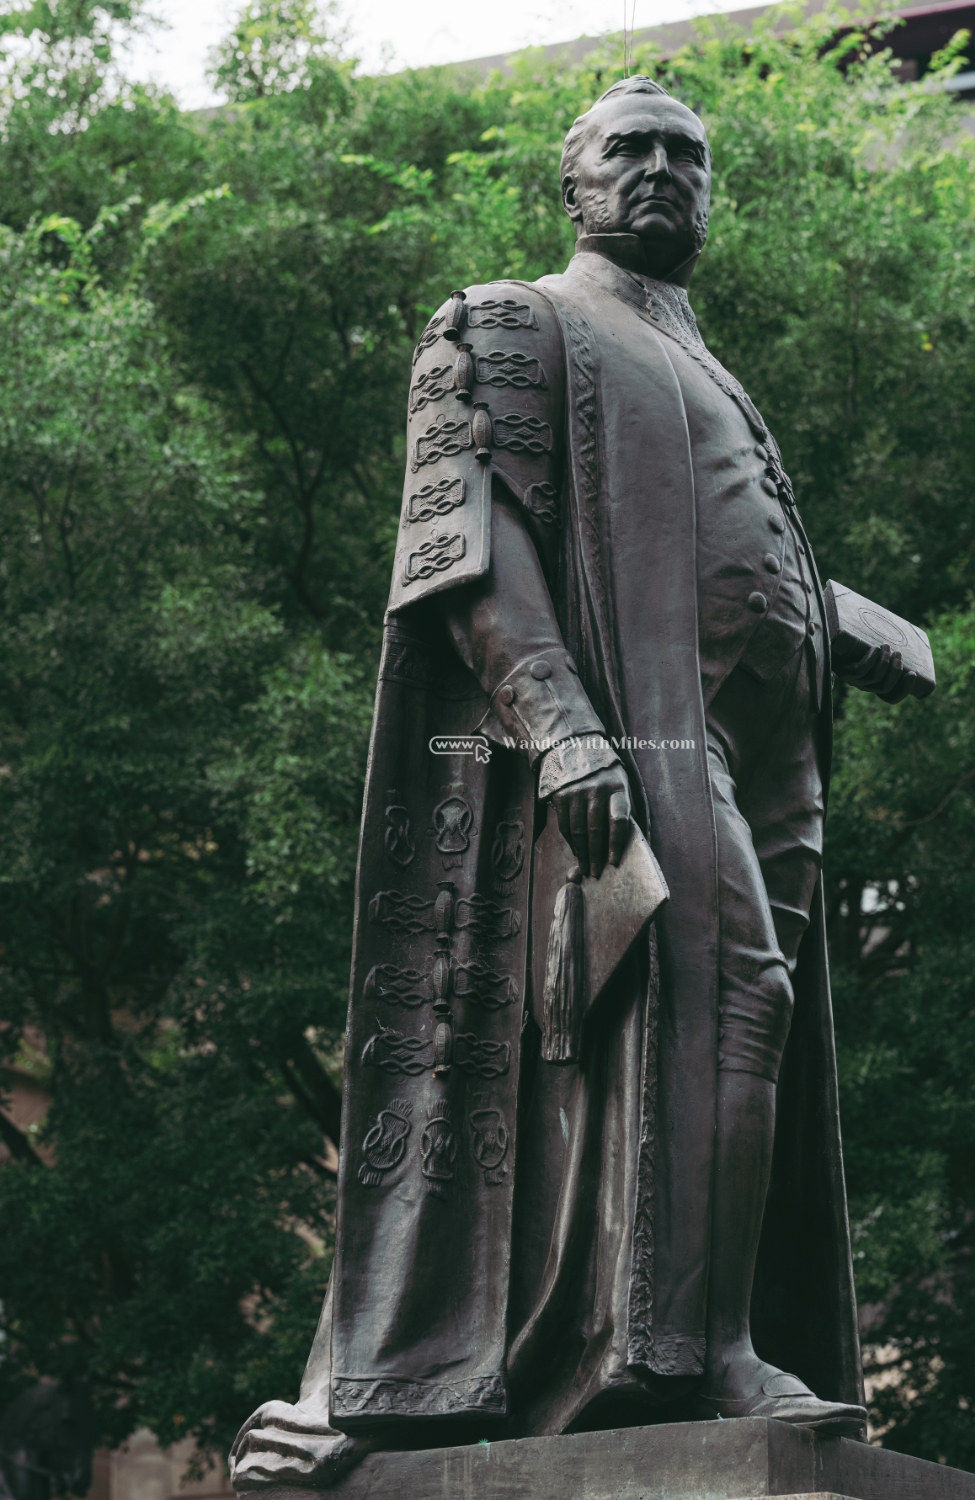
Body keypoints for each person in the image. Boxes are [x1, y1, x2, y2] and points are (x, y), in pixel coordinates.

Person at [231, 74, 915, 1489]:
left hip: (766, 754)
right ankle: (692, 1356)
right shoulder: (507, 324)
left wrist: (851, 625)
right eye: (631, 150)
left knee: (745, 1015)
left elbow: (712, 553)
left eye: (686, 152)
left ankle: (690, 1339)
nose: (662, 170)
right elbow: (464, 552)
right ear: (576, 184)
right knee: (735, 990)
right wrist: (563, 729)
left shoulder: (704, 363)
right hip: (637, 737)